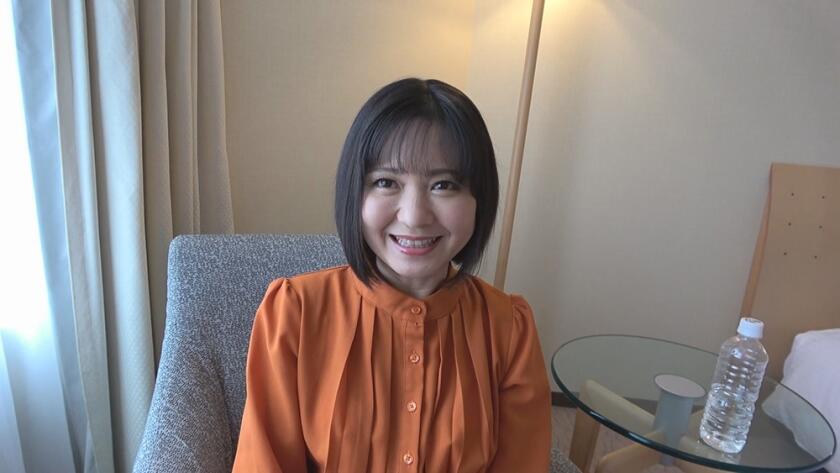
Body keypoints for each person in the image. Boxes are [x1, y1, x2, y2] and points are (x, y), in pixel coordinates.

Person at [232, 78, 550, 472]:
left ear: (478, 200)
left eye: (444, 185)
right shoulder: (294, 312)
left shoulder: (509, 328)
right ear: (355, 193)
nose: (414, 216)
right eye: (386, 182)